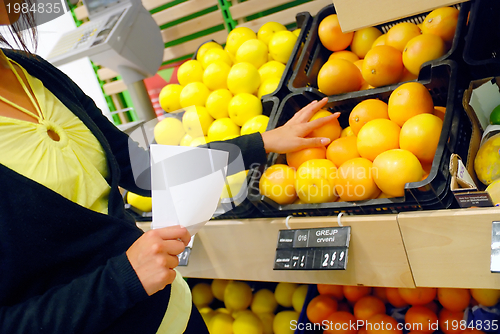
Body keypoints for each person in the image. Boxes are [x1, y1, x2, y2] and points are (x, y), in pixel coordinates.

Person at [0, 1, 339, 332]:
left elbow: (143, 170)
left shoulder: (34, 72)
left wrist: (262, 142)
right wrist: (123, 280)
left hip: (177, 311)